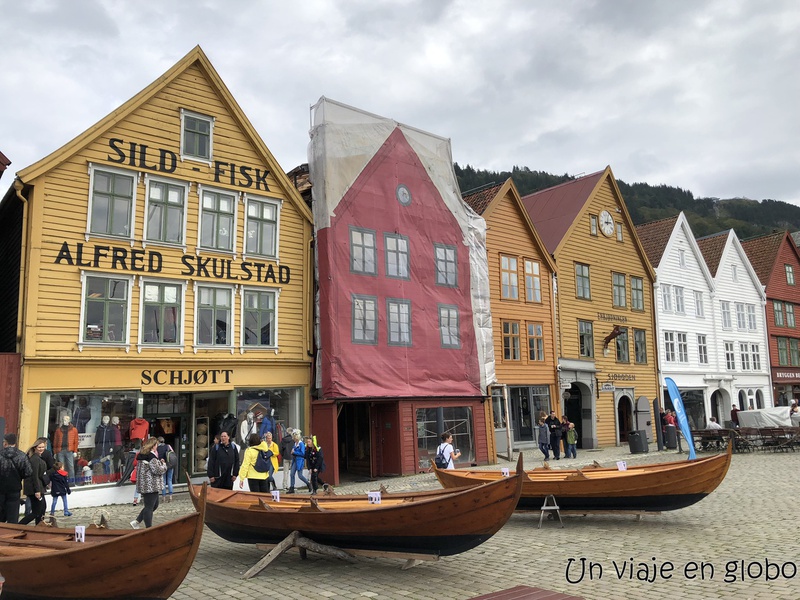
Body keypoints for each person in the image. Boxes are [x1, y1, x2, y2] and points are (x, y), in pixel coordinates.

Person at [131, 437, 167, 529]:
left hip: (146, 484)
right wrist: (164, 465)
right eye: (156, 445)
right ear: (153, 446)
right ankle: (149, 528)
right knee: (149, 507)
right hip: (151, 485)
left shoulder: (143, 455)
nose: (157, 447)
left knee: (154, 505)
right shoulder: (151, 457)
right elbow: (157, 470)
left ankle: (136, 521)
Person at [0, 433, 33, 523]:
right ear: (15, 442)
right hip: (14, 489)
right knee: (13, 517)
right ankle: (11, 535)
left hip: (1, 489)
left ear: (5, 443)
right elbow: (28, 472)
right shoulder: (22, 456)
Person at [19, 440, 48, 525]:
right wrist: (37, 490)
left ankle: (39, 526)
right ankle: (19, 525)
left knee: (42, 509)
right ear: (35, 448)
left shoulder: (38, 458)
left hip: (39, 487)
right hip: (35, 488)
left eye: (43, 447)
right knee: (36, 512)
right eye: (39, 447)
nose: (41, 449)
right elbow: (34, 476)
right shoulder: (34, 459)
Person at [52, 414, 78, 484]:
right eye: (63, 420)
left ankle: (72, 483)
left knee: (71, 466)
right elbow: (55, 441)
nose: (64, 421)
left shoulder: (74, 430)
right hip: (60, 450)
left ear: (69, 421)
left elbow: (76, 441)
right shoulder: (58, 430)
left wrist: (75, 451)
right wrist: (55, 452)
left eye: (66, 420)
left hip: (69, 450)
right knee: (61, 467)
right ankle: (62, 482)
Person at [156, 436, 175, 503]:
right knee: (169, 480)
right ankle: (170, 496)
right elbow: (172, 454)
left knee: (163, 481)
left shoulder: (157, 448)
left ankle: (163, 497)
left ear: (158, 441)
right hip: (170, 465)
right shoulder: (168, 446)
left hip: (162, 465)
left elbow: (156, 457)